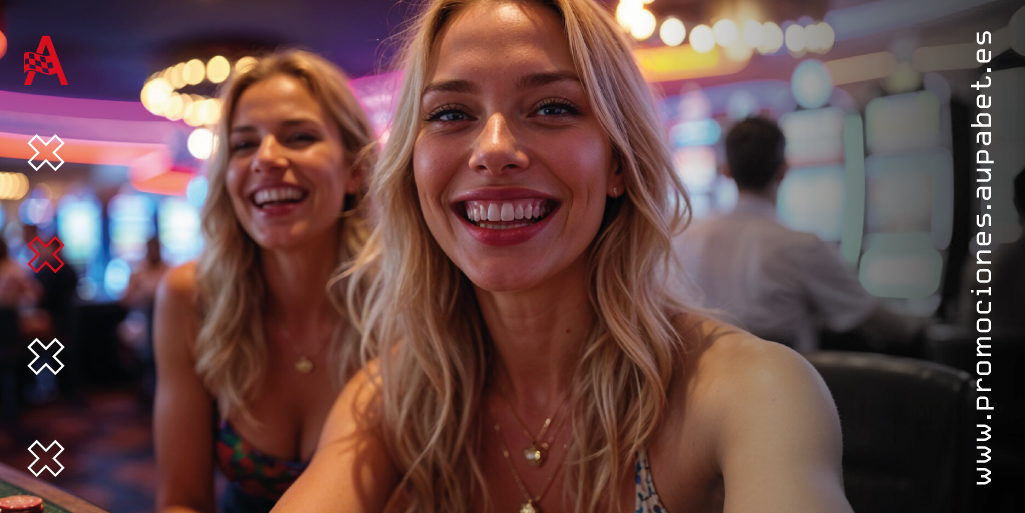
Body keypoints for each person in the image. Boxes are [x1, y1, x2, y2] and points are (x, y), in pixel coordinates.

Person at [274, 1, 853, 511]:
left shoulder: (752, 389)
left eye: (552, 107)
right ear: (411, 168)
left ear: (619, 164)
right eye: (450, 113)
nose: (494, 150)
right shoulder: (396, 396)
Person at [153, 50, 377, 513]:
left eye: (299, 137)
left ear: (354, 169)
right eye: (243, 144)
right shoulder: (190, 297)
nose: (267, 159)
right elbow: (182, 500)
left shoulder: (404, 302)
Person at [672, 116, 921, 353]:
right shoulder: (802, 246)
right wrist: (925, 332)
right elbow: (873, 318)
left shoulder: (686, 237)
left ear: (725, 170)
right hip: (783, 387)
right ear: (783, 170)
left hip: (705, 385)